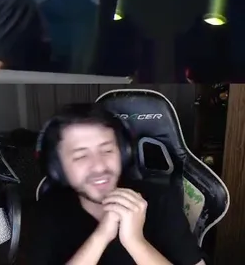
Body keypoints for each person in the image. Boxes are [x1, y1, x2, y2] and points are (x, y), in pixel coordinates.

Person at [27, 104, 205, 265]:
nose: (99, 166)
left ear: (123, 153)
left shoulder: (160, 200)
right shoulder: (47, 212)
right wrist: (101, 236)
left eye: (107, 150)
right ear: (57, 167)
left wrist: (135, 241)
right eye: (81, 156)